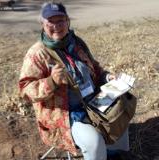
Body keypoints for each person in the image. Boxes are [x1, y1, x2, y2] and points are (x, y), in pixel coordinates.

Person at [19, 2, 129, 160]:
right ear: (42, 24)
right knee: (93, 142)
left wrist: (107, 77)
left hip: (92, 100)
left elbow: (94, 67)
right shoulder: (37, 54)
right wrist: (51, 82)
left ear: (68, 21)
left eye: (61, 21)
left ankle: (112, 152)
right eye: (51, 22)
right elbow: (25, 90)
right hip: (66, 113)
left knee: (120, 110)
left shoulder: (76, 42)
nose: (57, 26)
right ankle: (99, 151)